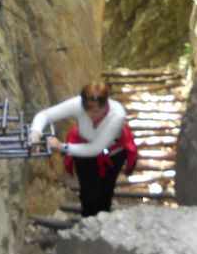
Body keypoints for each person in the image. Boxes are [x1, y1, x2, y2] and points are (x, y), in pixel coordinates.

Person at [29, 81, 137, 217]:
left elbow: (96, 148)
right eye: (88, 110)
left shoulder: (117, 115)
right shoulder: (78, 104)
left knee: (106, 190)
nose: (92, 115)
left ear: (106, 105)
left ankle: (103, 219)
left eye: (97, 111)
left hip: (112, 152)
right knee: (88, 193)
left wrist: (63, 147)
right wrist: (35, 133)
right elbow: (45, 115)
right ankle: (88, 221)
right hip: (83, 146)